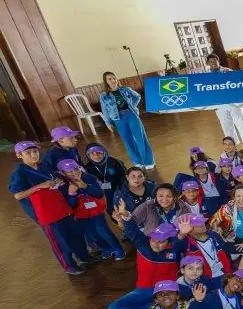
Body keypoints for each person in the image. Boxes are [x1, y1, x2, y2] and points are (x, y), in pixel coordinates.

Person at [8, 140, 90, 275]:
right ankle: (69, 266)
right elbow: (18, 195)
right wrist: (40, 186)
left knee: (75, 233)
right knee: (60, 241)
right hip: (45, 214)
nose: (33, 155)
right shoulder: (19, 173)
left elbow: (54, 179)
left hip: (61, 207)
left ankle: (84, 257)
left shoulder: (44, 166)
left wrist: (58, 182)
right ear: (19, 155)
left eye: (35, 151)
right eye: (28, 153)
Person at [98, 71, 155, 169]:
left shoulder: (126, 90)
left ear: (117, 79)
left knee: (141, 138)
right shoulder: (104, 96)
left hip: (131, 115)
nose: (112, 80)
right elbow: (104, 110)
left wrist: (132, 106)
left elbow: (137, 96)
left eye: (114, 78)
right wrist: (107, 123)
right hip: (118, 119)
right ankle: (137, 161)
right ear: (106, 82)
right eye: (109, 79)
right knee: (128, 140)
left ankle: (148, 162)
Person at [205, 54, 243, 144]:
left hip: (233, 102)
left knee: (242, 124)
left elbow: (239, 84)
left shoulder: (227, 71)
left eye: (215, 61)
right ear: (208, 63)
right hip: (219, 105)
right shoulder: (206, 76)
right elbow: (207, 93)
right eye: (211, 61)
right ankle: (232, 147)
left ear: (219, 61)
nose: (213, 63)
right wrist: (211, 105)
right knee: (227, 127)